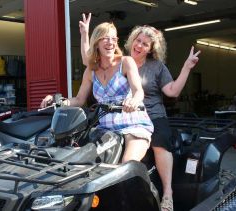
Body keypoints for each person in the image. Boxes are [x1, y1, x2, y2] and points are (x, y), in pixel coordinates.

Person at [79, 13, 201, 211]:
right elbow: (90, 60)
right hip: (118, 116)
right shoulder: (116, 60)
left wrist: (187, 67)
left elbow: (171, 91)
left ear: (152, 49)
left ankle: (167, 194)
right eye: (138, 40)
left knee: (160, 143)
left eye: (145, 43)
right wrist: (85, 34)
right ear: (131, 40)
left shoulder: (156, 67)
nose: (140, 45)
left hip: (151, 113)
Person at [41, 22, 154, 162]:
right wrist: (58, 101)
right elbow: (79, 99)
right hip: (105, 128)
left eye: (113, 39)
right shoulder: (91, 71)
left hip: (133, 124)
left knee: (127, 165)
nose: (110, 42)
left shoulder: (126, 62)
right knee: (84, 163)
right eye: (105, 38)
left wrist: (134, 101)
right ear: (96, 42)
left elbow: (138, 91)